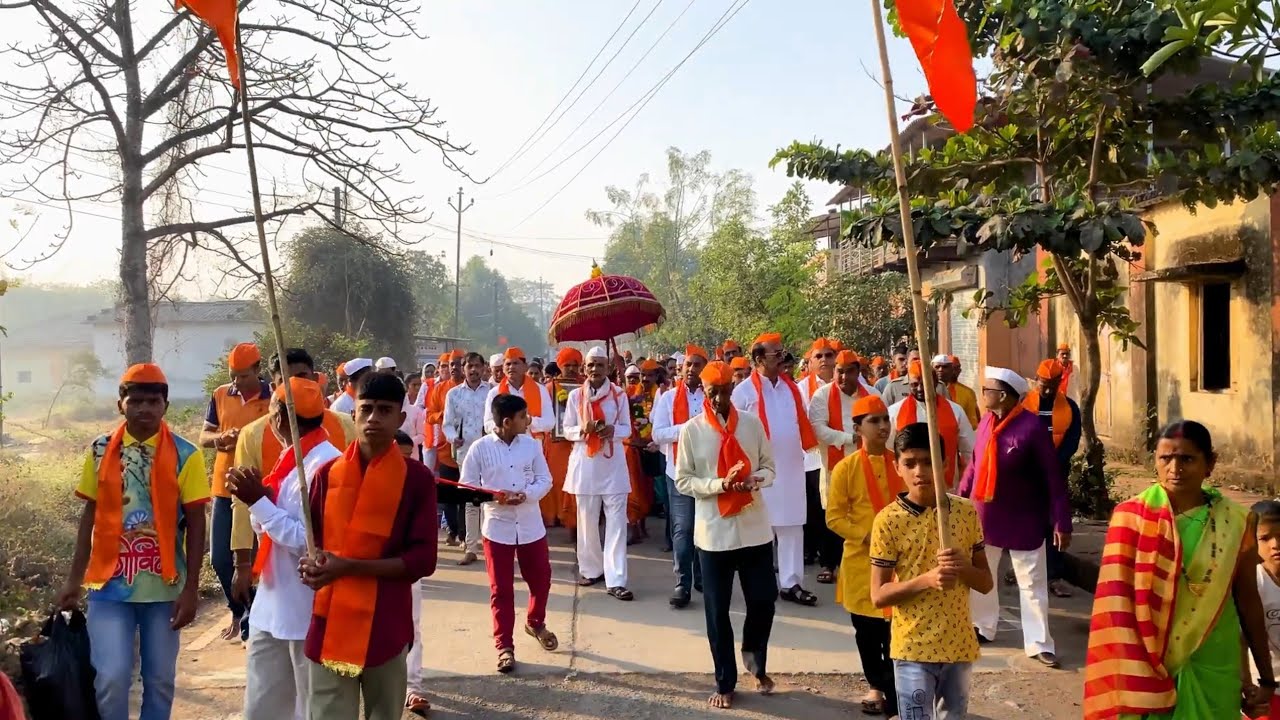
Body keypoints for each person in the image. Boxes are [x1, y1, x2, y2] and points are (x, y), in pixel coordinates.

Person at [1082, 421, 1274, 720]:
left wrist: (1265, 677)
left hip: (1213, 659)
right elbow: (1114, 604)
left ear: (1210, 463)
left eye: (1187, 458)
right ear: (1155, 461)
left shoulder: (1236, 521)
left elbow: (1248, 599)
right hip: (1145, 662)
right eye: (1166, 458)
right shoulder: (1131, 518)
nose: (1175, 468)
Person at [56, 363, 209, 720]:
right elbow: (90, 517)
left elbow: (197, 522)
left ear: (165, 406)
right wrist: (74, 580)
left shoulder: (186, 454)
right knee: (110, 678)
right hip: (109, 586)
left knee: (160, 681)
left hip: (164, 588)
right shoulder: (100, 450)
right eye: (135, 401)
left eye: (153, 401)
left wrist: (191, 589)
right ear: (120, 404)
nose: (144, 409)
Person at [299, 372, 437, 720]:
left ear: (400, 418)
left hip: (386, 624)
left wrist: (348, 567)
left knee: (384, 714)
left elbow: (423, 560)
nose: (374, 418)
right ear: (354, 413)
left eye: (385, 410)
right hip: (330, 622)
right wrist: (312, 567)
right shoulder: (326, 475)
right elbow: (315, 546)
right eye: (367, 408)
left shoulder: (417, 479)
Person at [225, 378, 341, 720]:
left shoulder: (325, 466)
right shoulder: (290, 460)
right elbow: (268, 528)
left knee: (310, 707)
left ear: (278, 418)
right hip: (271, 605)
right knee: (262, 707)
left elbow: (310, 543)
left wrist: (259, 502)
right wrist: (261, 501)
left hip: (305, 610)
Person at [870, 422, 993, 720]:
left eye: (928, 462)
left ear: (945, 464)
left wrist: (962, 567)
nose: (920, 472)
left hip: (958, 645)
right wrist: (925, 580)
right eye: (910, 463)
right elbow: (878, 595)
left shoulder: (965, 512)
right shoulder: (888, 521)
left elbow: (986, 582)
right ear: (897, 467)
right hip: (912, 647)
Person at [674, 360, 778, 710]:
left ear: (733, 389)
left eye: (725, 391)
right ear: (704, 391)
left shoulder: (751, 424)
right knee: (717, 612)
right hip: (714, 534)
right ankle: (725, 681)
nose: (720, 399)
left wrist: (754, 480)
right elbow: (683, 480)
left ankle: (755, 658)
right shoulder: (692, 430)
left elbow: (770, 467)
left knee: (763, 601)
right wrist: (721, 484)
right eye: (713, 392)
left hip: (754, 529)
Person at [957, 366, 1071, 667]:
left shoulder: (1032, 428)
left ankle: (1039, 642)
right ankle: (983, 626)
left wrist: (1062, 520)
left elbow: (1053, 478)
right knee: (983, 575)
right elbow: (974, 465)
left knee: (1032, 583)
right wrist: (959, 499)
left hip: (1024, 519)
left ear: (1004, 396)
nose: (983, 395)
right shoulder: (985, 422)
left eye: (987, 390)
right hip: (985, 515)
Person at [228, 349, 358, 602]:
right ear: (273, 386)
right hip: (274, 574)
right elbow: (243, 504)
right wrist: (242, 564)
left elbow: (315, 535)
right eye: (285, 381)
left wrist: (261, 503)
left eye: (302, 377)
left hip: (318, 576)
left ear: (316, 380)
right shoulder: (253, 434)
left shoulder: (344, 429)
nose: (295, 386)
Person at [461, 394, 558, 674]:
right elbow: (466, 489)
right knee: (501, 590)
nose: (528, 421)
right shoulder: (479, 449)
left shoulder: (531, 445)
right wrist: (494, 497)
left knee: (541, 580)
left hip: (530, 526)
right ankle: (504, 646)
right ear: (507, 422)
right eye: (523, 416)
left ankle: (535, 622)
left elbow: (546, 479)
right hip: (497, 529)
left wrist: (526, 494)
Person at [826, 394, 901, 718]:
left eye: (885, 419)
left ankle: (895, 696)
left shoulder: (900, 463)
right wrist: (867, 535)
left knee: (896, 635)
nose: (883, 426)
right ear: (857, 428)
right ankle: (877, 685)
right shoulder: (846, 468)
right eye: (875, 421)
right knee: (868, 634)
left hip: (900, 565)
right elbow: (834, 517)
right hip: (862, 565)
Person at [732, 333, 821, 607]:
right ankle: (760, 584)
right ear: (759, 359)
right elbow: (733, 432)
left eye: (783, 353)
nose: (783, 358)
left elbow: (801, 424)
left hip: (792, 467)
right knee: (760, 528)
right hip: (759, 469)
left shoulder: (791, 389)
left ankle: (791, 584)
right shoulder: (743, 392)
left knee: (792, 526)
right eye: (777, 354)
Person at [201, 342, 270, 642]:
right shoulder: (220, 395)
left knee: (255, 558)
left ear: (258, 369)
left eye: (243, 376)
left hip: (259, 488)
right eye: (233, 376)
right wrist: (220, 438)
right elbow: (204, 436)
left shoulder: (273, 397)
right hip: (223, 487)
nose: (237, 382)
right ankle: (240, 609)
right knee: (219, 558)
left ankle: (254, 619)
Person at [564, 345, 634, 600]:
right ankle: (591, 570)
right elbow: (566, 429)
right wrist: (584, 429)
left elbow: (627, 428)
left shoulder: (619, 395)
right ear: (585, 368)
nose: (595, 369)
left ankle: (616, 579)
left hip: (613, 466)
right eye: (591, 365)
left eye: (600, 365)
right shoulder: (575, 396)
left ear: (608, 368)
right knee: (587, 522)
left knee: (617, 524)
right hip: (585, 465)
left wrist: (612, 430)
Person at [807, 350, 876, 586]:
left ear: (858, 372)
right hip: (834, 465)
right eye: (840, 372)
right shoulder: (822, 395)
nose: (844, 377)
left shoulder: (872, 395)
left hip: (867, 464)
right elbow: (818, 429)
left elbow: (883, 425)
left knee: (861, 512)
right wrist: (851, 438)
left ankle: (862, 560)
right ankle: (829, 564)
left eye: (849, 372)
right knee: (834, 514)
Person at [652, 346, 709, 608]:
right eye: (688, 364)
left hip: (708, 472)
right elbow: (658, 434)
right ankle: (682, 583)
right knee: (683, 528)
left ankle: (703, 578)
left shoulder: (713, 395)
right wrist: (689, 428)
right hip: (678, 472)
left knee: (706, 527)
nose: (691, 369)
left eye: (697, 365)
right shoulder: (668, 398)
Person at [1023, 359, 1082, 599]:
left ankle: (1054, 575)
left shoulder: (1070, 407)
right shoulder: (1024, 404)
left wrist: (1054, 462)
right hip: (1028, 473)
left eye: (1052, 385)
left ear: (1060, 382)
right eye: (1043, 385)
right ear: (1036, 380)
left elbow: (1073, 440)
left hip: (1057, 473)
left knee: (1055, 524)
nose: (1047, 390)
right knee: (1028, 522)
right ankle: (1025, 570)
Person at [888, 360, 975, 489]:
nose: (920, 389)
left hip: (947, 487)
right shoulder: (895, 412)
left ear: (935, 382)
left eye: (925, 384)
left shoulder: (955, 411)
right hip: (909, 488)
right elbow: (889, 451)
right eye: (914, 384)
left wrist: (968, 483)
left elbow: (969, 451)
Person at [443, 351, 493, 566]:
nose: (473, 370)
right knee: (471, 501)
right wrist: (453, 438)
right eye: (469, 366)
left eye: (477, 366)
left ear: (484, 368)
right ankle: (471, 548)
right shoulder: (453, 394)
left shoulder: (492, 391)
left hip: (490, 452)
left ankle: (491, 547)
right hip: (466, 453)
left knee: (489, 500)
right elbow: (447, 424)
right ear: (463, 369)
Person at [799, 338, 839, 571]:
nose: (824, 360)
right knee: (814, 508)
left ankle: (831, 558)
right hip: (811, 458)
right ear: (810, 362)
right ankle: (814, 553)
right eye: (819, 356)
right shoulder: (801, 389)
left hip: (840, 454)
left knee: (834, 507)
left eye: (828, 355)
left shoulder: (848, 382)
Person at [624, 354, 665, 545]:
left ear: (656, 376)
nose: (645, 379)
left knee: (647, 490)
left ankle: (641, 526)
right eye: (643, 375)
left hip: (653, 447)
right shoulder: (631, 393)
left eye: (650, 375)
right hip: (633, 447)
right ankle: (634, 527)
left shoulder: (662, 394)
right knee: (634, 488)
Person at [542, 347, 583, 532]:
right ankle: (557, 515)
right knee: (557, 479)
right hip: (556, 442)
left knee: (577, 480)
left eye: (575, 365)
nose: (572, 369)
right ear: (560, 366)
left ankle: (574, 518)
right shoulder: (549, 388)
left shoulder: (585, 386)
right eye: (568, 365)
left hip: (579, 441)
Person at [427, 351, 464, 546]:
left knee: (466, 493)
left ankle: (465, 535)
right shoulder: (440, 389)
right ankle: (452, 530)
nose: (454, 368)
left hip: (467, 450)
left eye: (458, 364)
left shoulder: (471, 389)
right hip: (445, 449)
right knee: (448, 494)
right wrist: (444, 415)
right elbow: (429, 416)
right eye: (451, 364)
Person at [485, 347, 555, 436]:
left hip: (532, 443)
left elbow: (550, 422)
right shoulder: (494, 393)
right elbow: (488, 425)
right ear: (503, 368)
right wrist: (508, 425)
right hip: (505, 443)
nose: (511, 367)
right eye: (508, 364)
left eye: (515, 363)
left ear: (525, 366)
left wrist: (529, 421)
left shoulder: (541, 390)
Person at [1252, 499, 1280, 720]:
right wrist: (1246, 684)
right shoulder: (1253, 583)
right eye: (1265, 538)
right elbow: (1240, 640)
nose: (1276, 544)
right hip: (1267, 692)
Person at [932, 355, 980, 429]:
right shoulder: (923, 391)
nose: (941, 370)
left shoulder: (967, 393)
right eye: (937, 367)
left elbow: (972, 422)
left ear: (951, 370)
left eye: (945, 367)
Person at [401, 372, 426, 461]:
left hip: (412, 455)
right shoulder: (391, 411)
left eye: (419, 385)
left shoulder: (416, 411)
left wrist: (409, 442)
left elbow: (422, 435)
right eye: (414, 385)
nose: (418, 387)